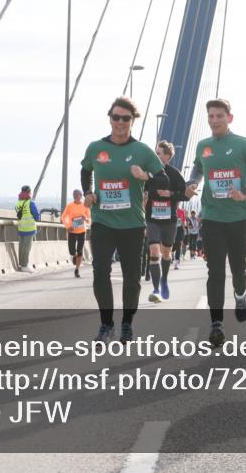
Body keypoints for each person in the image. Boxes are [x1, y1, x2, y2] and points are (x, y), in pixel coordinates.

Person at [82, 97, 167, 343]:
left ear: (132, 121)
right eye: (116, 117)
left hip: (132, 224)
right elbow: (86, 170)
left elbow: (163, 180)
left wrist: (145, 176)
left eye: (125, 118)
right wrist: (88, 192)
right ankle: (106, 325)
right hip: (103, 221)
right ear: (110, 118)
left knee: (132, 277)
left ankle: (127, 323)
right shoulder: (95, 148)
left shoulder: (142, 151)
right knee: (100, 271)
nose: (120, 122)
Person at [184, 99, 246, 348]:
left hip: (238, 218)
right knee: (215, 271)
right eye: (211, 116)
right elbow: (197, 169)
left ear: (229, 118)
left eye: (219, 116)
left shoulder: (243, 145)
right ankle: (216, 324)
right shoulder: (203, 146)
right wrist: (193, 182)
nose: (214, 120)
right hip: (212, 218)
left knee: (238, 268)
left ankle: (240, 295)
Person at [145, 141, 187, 302]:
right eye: (155, 152)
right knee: (154, 251)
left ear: (168, 156)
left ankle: (164, 280)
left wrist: (170, 194)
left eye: (159, 153)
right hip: (152, 218)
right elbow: (141, 192)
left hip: (169, 220)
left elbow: (185, 195)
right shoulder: (149, 173)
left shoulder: (175, 174)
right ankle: (156, 290)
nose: (155, 155)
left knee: (166, 253)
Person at [61, 189, 91, 278]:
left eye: (78, 194)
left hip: (82, 231)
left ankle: (77, 269)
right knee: (72, 251)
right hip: (72, 231)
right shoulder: (69, 206)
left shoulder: (85, 206)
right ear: (73, 196)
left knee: (80, 250)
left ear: (81, 196)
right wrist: (68, 226)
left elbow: (89, 219)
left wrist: (86, 219)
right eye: (75, 195)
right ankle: (74, 256)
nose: (77, 196)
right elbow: (64, 217)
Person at [15, 185, 41, 272]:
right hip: (29, 229)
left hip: (21, 227)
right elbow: (37, 217)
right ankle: (25, 266)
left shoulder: (18, 203)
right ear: (29, 192)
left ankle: (21, 264)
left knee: (21, 247)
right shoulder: (31, 203)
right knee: (27, 248)